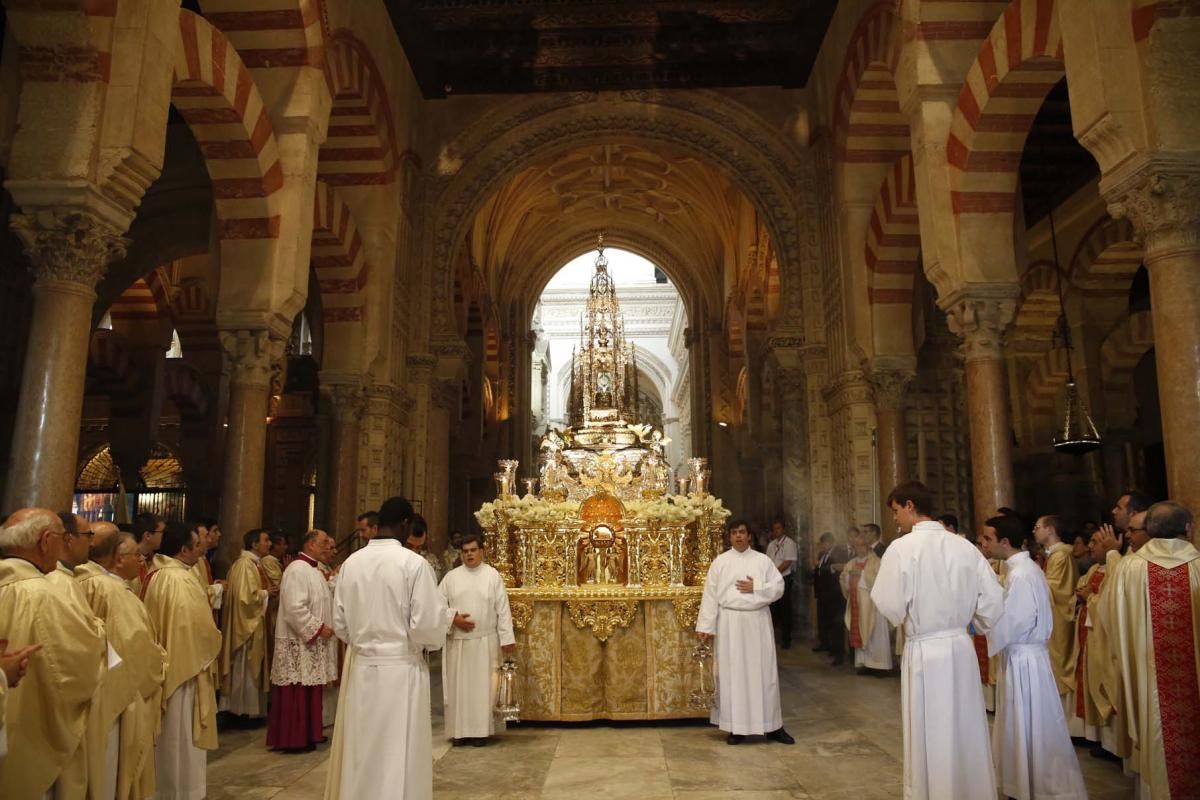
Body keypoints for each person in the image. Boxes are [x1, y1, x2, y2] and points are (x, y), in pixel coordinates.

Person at [870, 481, 1004, 800]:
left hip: (925, 649)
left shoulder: (902, 548)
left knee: (931, 728)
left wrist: (907, 616)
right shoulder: (964, 546)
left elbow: (889, 603)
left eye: (896, 511)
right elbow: (993, 603)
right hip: (960, 647)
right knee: (965, 724)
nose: (895, 519)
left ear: (910, 506)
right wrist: (970, 620)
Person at [324, 496, 453, 800]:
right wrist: (431, 639)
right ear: (407, 525)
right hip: (402, 668)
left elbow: (340, 623)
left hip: (363, 668)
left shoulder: (351, 564)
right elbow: (426, 625)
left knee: (363, 745)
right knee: (400, 749)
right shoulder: (413, 564)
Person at [0, 508, 106, 798]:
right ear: (46, 541)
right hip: (36, 731)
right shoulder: (45, 595)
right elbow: (78, 670)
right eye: (61, 538)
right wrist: (97, 630)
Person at [981, 514, 1087, 800]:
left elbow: (1013, 622)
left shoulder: (1022, 573)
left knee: (1030, 724)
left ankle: (1038, 785)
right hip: (1024, 656)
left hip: (1024, 658)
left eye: (988, 538)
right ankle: (1024, 782)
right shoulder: (1022, 569)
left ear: (1005, 541)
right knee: (1025, 722)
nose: (983, 543)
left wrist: (980, 622)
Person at [1100, 500, 1199, 799]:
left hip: (1149, 680)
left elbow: (1108, 620)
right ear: (1187, 528)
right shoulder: (1198, 567)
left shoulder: (1129, 569)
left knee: (1157, 735)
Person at [75, 524, 167, 800]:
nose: (141, 561)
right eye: (136, 555)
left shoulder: (77, 581)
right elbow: (135, 651)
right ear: (118, 557)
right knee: (113, 768)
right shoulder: (113, 592)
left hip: (90, 692)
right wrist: (160, 661)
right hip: (118, 698)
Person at [142, 521, 222, 800]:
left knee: (169, 740)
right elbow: (194, 627)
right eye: (198, 545)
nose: (203, 549)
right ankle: (181, 792)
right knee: (180, 738)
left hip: (167, 664)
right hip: (184, 670)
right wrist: (213, 640)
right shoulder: (179, 579)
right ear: (185, 549)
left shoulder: (158, 574)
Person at [696, 519, 793, 745]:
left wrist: (756, 587)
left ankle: (772, 726)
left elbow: (779, 587)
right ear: (729, 537)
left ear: (749, 536)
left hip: (757, 621)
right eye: (734, 533)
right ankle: (736, 727)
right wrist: (706, 626)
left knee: (763, 673)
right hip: (729, 623)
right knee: (733, 674)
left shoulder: (763, 561)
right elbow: (710, 595)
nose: (738, 536)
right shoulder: (720, 563)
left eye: (742, 532)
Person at [438, 532, 516, 746]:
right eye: (465, 551)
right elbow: (436, 606)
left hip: (485, 643)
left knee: (483, 689)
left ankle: (480, 732)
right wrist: (453, 618)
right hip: (459, 644)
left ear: (481, 551)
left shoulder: (492, 576)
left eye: (473, 550)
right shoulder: (451, 578)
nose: (469, 554)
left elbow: (503, 609)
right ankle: (459, 732)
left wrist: (506, 638)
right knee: (459, 689)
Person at [267, 529, 338, 752]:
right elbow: (294, 608)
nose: (328, 546)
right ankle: (294, 739)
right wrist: (318, 628)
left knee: (310, 689)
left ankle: (310, 733)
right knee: (296, 690)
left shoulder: (313, 570)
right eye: (324, 542)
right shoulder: (297, 569)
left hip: (311, 642)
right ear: (310, 545)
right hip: (299, 641)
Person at [220, 528, 273, 725]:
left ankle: (250, 711)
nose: (269, 544)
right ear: (254, 544)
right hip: (246, 630)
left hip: (254, 625)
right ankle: (241, 711)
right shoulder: (245, 566)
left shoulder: (253, 564)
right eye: (265, 540)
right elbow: (245, 600)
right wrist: (266, 593)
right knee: (245, 667)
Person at [1033, 514, 1080, 732]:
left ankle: (1067, 723)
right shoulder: (1053, 555)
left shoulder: (1061, 555)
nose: (1035, 531)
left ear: (1050, 530)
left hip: (1059, 615)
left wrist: (1032, 577)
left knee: (1060, 663)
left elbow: (1055, 588)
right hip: (1052, 615)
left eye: (1038, 527)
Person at [840, 528, 892, 674]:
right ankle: (865, 663)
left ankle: (880, 666)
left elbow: (882, 582)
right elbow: (844, 578)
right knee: (861, 633)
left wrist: (861, 575)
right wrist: (847, 578)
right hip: (857, 603)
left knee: (875, 635)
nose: (859, 549)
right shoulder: (851, 563)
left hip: (873, 607)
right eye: (856, 546)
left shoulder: (877, 562)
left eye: (861, 546)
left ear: (868, 546)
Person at [813, 531, 848, 663]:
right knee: (824, 621)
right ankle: (826, 645)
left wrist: (826, 568)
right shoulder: (822, 554)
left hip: (835, 594)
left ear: (830, 542)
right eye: (821, 544)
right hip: (823, 593)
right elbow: (820, 569)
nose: (822, 546)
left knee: (836, 624)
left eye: (823, 543)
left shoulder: (838, 552)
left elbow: (839, 568)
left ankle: (838, 653)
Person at [764, 517, 798, 649]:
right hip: (772, 580)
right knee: (773, 609)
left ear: (783, 529)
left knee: (785, 609)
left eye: (778, 528)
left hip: (784, 578)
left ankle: (786, 639)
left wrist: (774, 573)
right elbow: (767, 561)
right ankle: (773, 637)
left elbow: (788, 562)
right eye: (774, 529)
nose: (776, 531)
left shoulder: (790, 543)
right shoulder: (771, 544)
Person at [191, 520, 225, 615]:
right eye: (206, 536)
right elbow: (197, 594)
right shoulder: (192, 562)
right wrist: (219, 587)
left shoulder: (202, 558)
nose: (209, 540)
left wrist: (215, 583)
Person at [129, 512, 166, 595]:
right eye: (162, 532)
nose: (164, 537)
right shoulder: (128, 560)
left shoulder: (154, 560)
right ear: (148, 535)